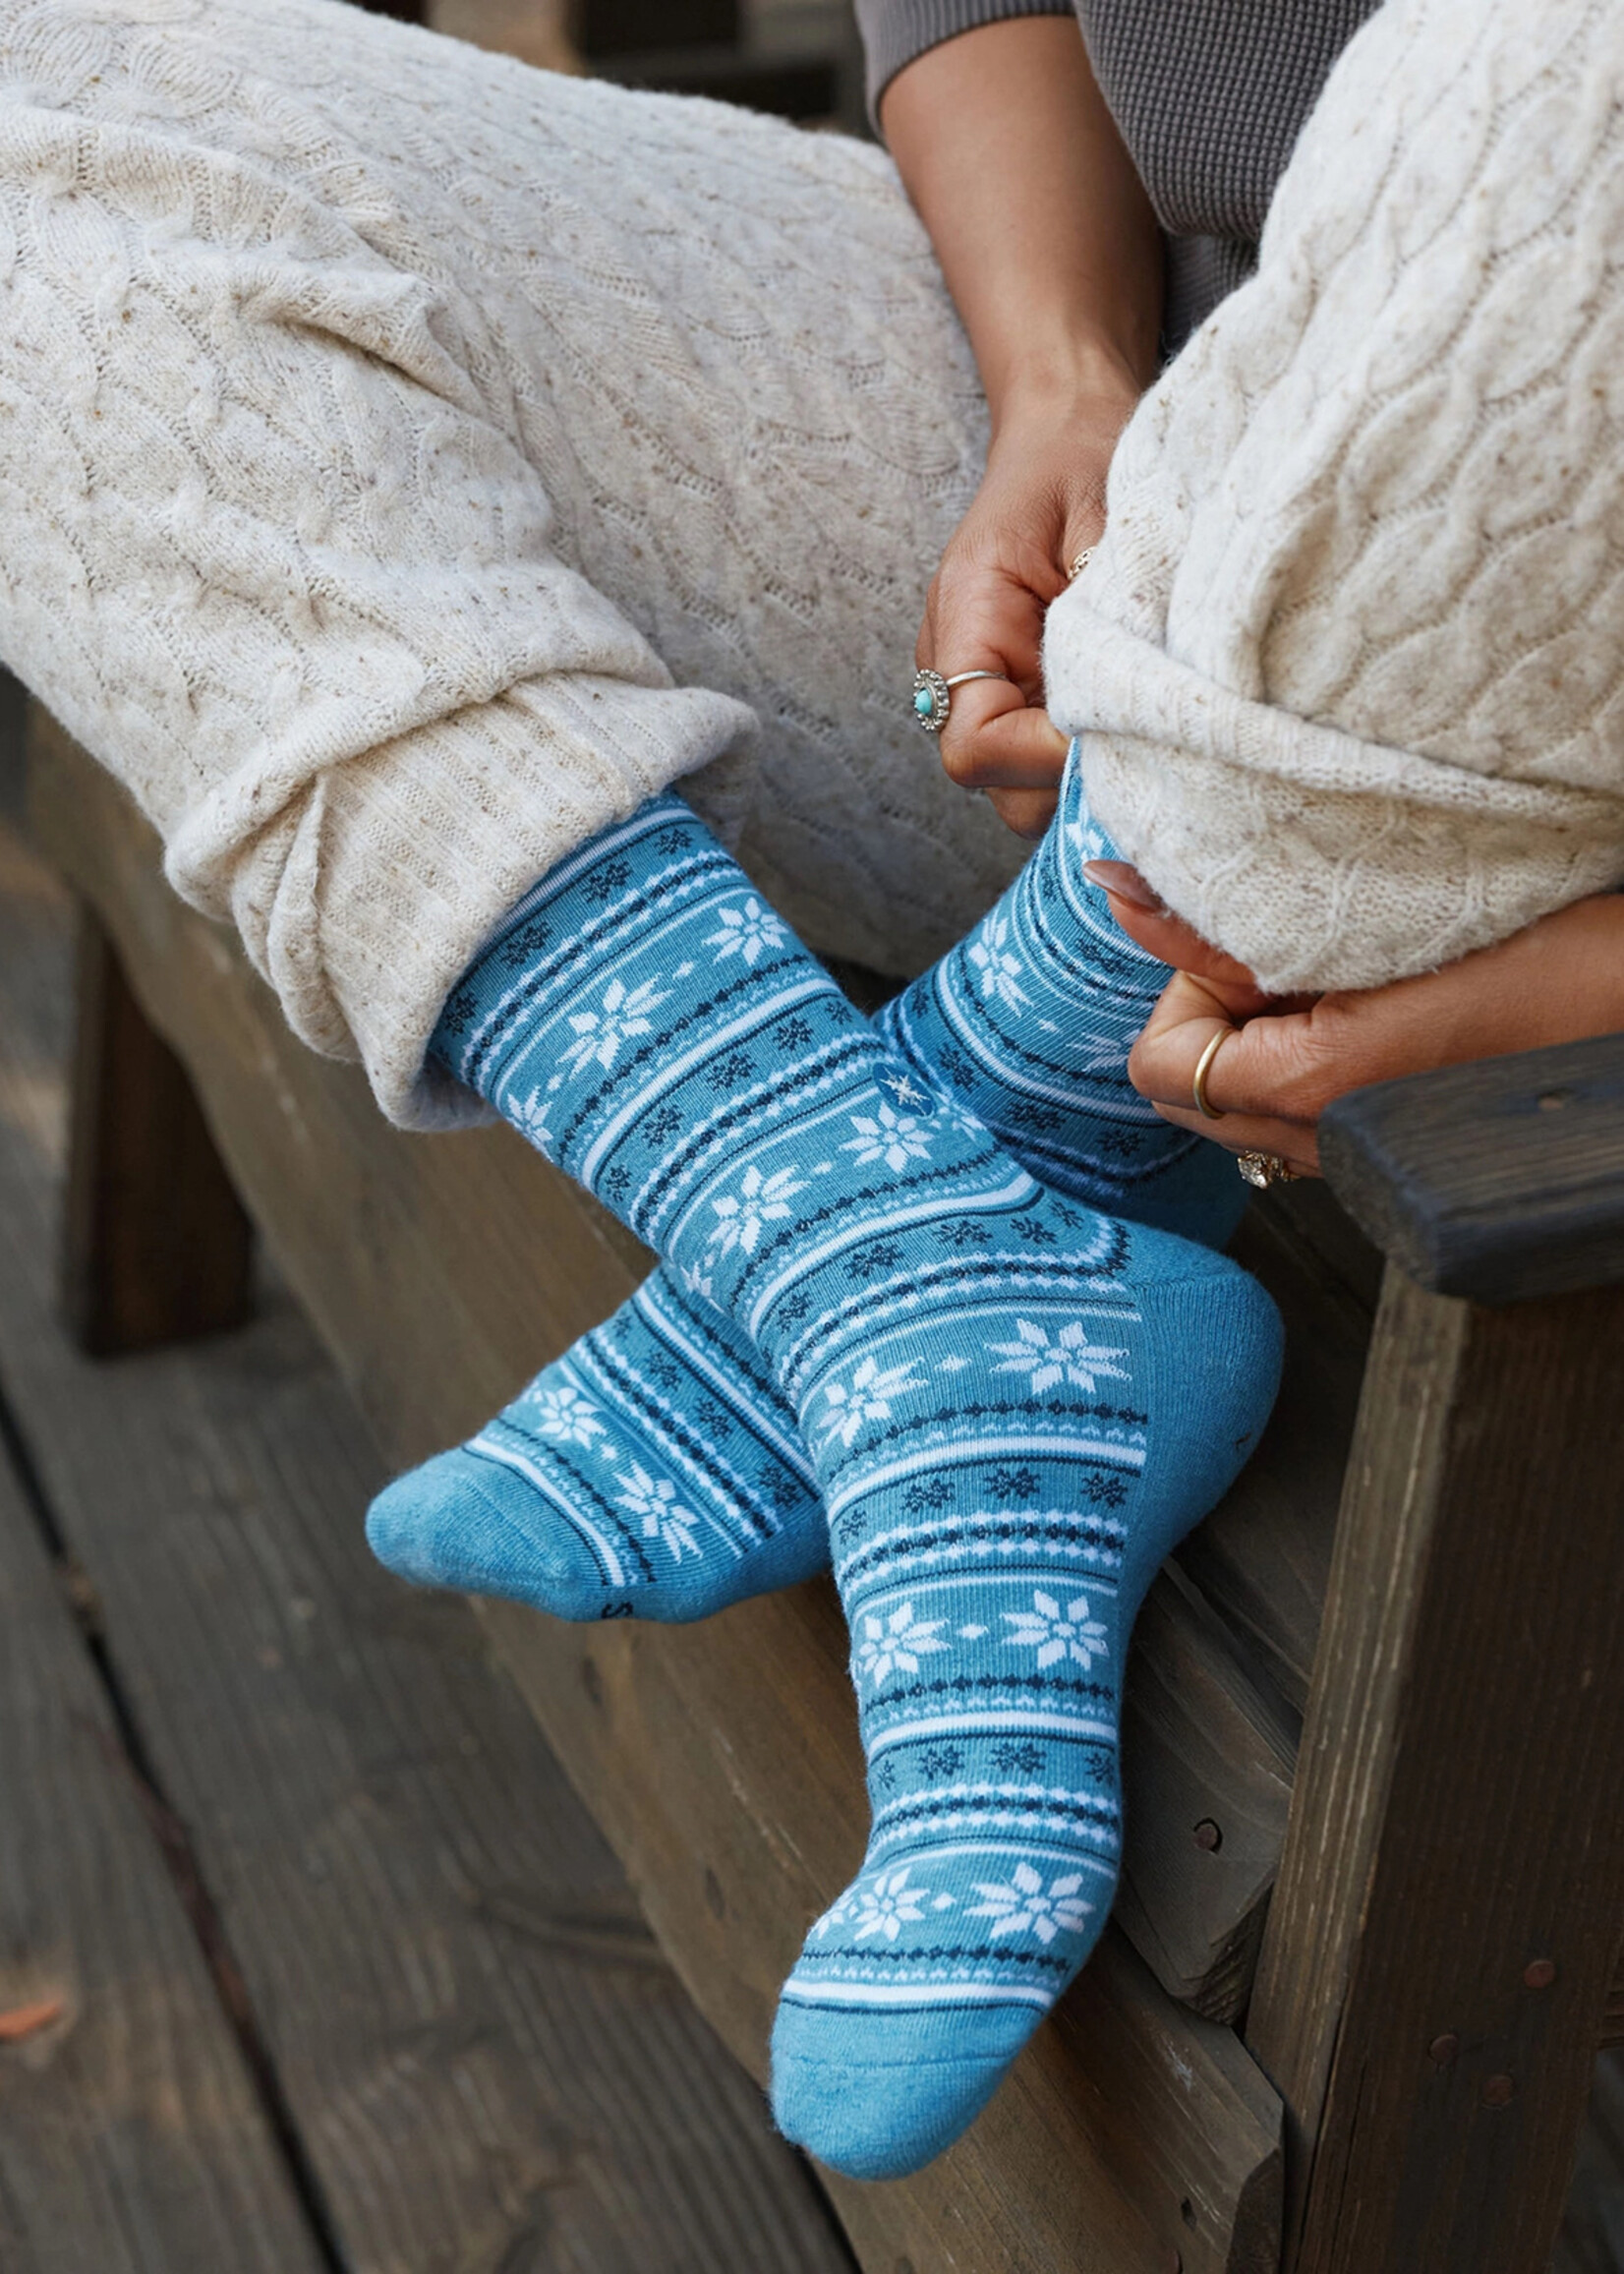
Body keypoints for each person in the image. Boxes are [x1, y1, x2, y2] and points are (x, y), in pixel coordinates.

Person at [2, 0, 1621, 2180]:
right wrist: (1063, 373)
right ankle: (897, 1248)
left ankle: (945, 1225)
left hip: (1504, 811)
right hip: (1110, 511)